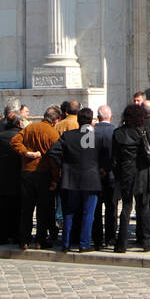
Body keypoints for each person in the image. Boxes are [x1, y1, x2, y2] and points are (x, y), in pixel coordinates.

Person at [49, 106, 101, 252]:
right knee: (88, 213)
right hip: (91, 178)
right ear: (91, 121)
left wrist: (64, 164)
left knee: (69, 212)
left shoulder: (68, 135)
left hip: (71, 178)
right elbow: (105, 157)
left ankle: (66, 243)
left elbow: (53, 152)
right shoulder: (97, 136)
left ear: (77, 120)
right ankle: (84, 243)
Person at [112, 103, 150, 253]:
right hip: (143, 172)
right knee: (144, 206)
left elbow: (114, 158)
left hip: (126, 172)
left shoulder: (118, 133)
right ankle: (146, 241)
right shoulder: (143, 130)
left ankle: (122, 243)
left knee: (126, 207)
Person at [11, 106, 61, 249]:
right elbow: (54, 159)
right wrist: (55, 179)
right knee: (43, 209)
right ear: (55, 120)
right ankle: (40, 240)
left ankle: (24, 240)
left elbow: (14, 142)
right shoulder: (53, 134)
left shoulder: (30, 128)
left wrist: (26, 153)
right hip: (44, 173)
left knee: (26, 208)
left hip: (27, 172)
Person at [0, 105, 24, 246]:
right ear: (19, 123)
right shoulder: (23, 135)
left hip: (3, 176)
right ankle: (16, 234)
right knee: (18, 207)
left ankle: (2, 235)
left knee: (3, 207)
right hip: (19, 176)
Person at [91, 105, 117, 249]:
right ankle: (111, 238)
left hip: (94, 174)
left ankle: (97, 238)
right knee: (111, 208)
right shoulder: (115, 132)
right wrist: (107, 169)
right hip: (111, 175)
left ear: (98, 117)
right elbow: (116, 155)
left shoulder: (91, 132)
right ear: (110, 116)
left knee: (96, 208)